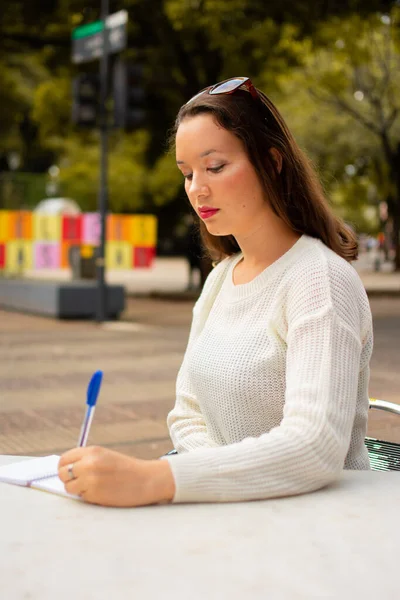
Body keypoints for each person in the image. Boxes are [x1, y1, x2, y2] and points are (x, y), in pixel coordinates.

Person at [58, 77, 373, 507]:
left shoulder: (320, 280)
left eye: (216, 167)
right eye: (187, 173)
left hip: (322, 528)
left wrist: (158, 479)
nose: (196, 189)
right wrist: (218, 481)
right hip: (234, 518)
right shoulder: (222, 277)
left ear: (273, 161)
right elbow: (187, 415)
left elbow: (315, 445)